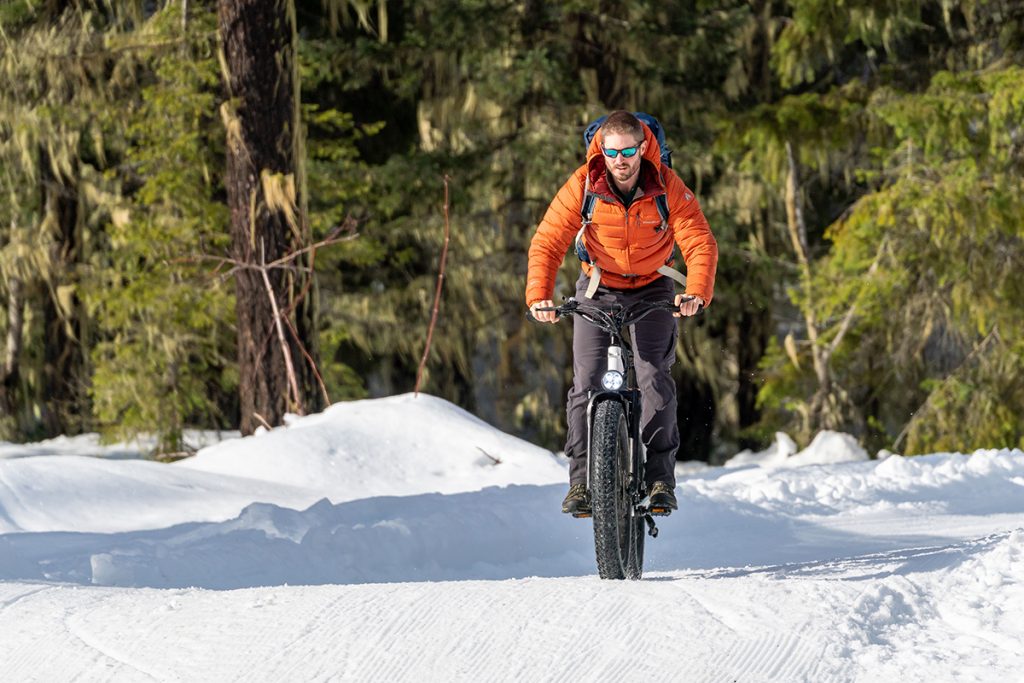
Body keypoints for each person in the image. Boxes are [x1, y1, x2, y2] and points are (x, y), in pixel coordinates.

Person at [525, 110, 718, 515]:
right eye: (612, 152)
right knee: (586, 382)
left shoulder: (666, 185)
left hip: (653, 290)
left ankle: (661, 479)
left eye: (629, 150)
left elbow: (699, 241)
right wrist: (539, 296)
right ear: (601, 151)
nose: (621, 160)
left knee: (653, 377)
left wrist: (696, 292)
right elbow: (547, 241)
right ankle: (580, 484)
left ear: (643, 148)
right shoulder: (583, 185)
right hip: (598, 288)